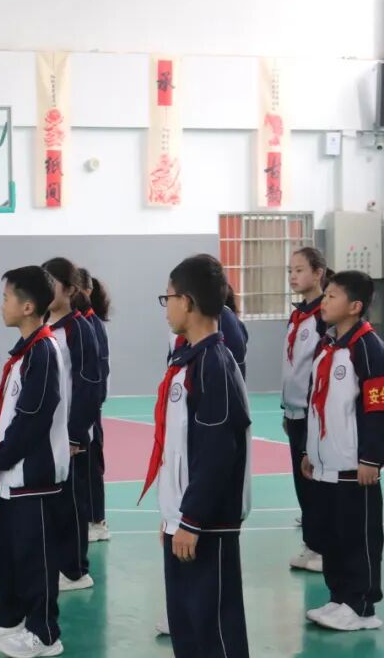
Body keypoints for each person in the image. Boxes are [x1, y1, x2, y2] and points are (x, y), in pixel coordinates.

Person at [144, 254, 251, 658]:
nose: (166, 308)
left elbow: (217, 451)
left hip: (206, 524)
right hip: (185, 517)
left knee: (214, 629)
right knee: (187, 624)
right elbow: (179, 448)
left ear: (187, 302)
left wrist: (191, 518)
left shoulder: (213, 366)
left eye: (168, 298)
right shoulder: (188, 362)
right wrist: (173, 514)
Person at [0, 266, 69, 658]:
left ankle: (44, 633)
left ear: (27, 306)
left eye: (7, 297)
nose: (2, 304)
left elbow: (33, 417)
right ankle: (8, 617)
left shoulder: (43, 351)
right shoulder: (24, 352)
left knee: (35, 558)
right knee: (5, 551)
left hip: (35, 475)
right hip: (14, 475)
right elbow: (8, 414)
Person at [302, 270, 384, 631]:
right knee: (331, 537)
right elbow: (317, 405)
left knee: (358, 538)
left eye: (332, 296)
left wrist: (371, 458)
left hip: (354, 467)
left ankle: (362, 607)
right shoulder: (327, 346)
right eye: (325, 295)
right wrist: (310, 452)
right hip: (325, 465)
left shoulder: (368, 348)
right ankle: (339, 598)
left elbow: (377, 408)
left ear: (355, 306)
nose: (324, 301)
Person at [42, 257, 102, 592]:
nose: (45, 289)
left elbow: (89, 383)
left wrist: (76, 434)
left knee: (72, 503)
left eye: (51, 282)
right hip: (47, 434)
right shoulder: (44, 324)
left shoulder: (79, 329)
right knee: (52, 502)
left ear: (69, 289)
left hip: (70, 435)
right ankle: (57, 562)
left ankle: (76, 570)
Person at [282, 247, 330, 572]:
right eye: (290, 271)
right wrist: (287, 408)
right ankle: (312, 544)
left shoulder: (323, 318)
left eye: (300, 270)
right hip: (294, 412)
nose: (293, 276)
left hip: (313, 415)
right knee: (302, 483)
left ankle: (321, 548)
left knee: (314, 482)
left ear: (318, 273)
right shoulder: (297, 316)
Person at [75, 268, 112, 543]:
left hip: (88, 410)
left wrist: (89, 408)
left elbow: (98, 374)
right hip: (76, 410)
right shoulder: (74, 324)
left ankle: (96, 521)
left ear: (88, 291)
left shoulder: (92, 325)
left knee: (90, 466)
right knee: (79, 467)